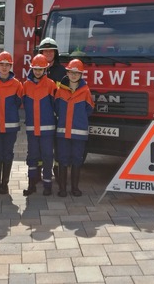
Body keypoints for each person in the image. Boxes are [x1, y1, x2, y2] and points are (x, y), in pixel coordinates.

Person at [54, 59, 94, 197]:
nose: (74, 75)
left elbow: (89, 110)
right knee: (63, 159)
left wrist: (79, 120)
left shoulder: (85, 91)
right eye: (72, 72)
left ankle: (75, 188)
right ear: (68, 73)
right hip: (63, 133)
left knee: (77, 159)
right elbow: (57, 108)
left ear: (81, 74)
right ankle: (62, 189)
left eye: (77, 73)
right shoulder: (60, 91)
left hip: (79, 134)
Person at [0, 51, 24, 195]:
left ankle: (5, 184)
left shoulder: (17, 85)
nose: (4, 67)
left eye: (7, 65)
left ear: (10, 66)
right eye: (1, 64)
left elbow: (18, 102)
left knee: (7, 154)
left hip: (10, 127)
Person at [22, 54, 57, 196]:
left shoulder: (51, 84)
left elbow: (56, 105)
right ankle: (32, 185)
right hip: (32, 129)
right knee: (32, 157)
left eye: (40, 69)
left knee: (48, 156)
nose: (38, 72)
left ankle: (47, 185)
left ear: (45, 69)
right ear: (32, 69)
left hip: (47, 130)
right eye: (35, 69)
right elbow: (23, 103)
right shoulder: (25, 85)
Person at [38, 37, 67, 182]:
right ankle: (40, 171)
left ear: (55, 53)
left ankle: (56, 171)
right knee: (40, 146)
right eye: (45, 51)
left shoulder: (62, 72)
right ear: (40, 52)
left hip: (58, 116)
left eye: (51, 51)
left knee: (57, 145)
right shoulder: (36, 71)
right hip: (41, 116)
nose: (48, 53)